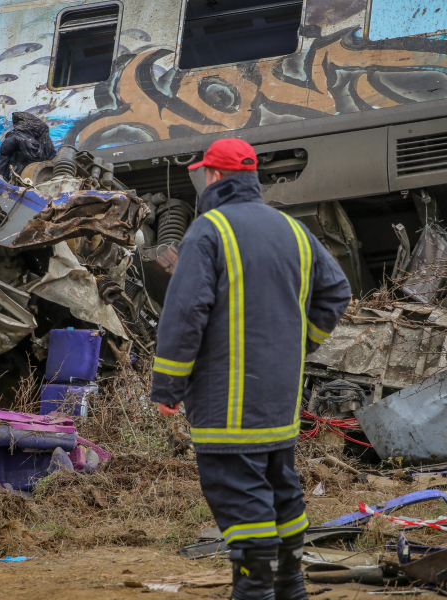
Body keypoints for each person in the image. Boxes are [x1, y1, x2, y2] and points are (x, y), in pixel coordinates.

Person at [152, 138, 351, 600]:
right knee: (282, 488)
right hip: (279, 400)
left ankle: (255, 592)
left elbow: (184, 316)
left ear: (214, 176)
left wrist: (167, 388)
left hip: (228, 403)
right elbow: (336, 292)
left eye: (203, 173)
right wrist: (299, 346)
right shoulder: (294, 230)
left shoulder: (208, 231)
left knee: (241, 495)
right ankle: (291, 588)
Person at [0, 112, 57, 182]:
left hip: (29, 170)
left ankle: (0, 184)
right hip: (28, 169)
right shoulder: (22, 137)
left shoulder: (17, 137)